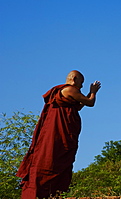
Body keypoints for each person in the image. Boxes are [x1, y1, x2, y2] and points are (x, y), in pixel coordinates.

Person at [16, 70, 101, 199]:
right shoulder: (70, 90)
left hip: (63, 132)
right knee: (50, 159)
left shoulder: (67, 93)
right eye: (81, 83)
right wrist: (93, 91)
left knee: (58, 161)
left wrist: (90, 94)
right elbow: (90, 102)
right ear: (74, 79)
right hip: (57, 134)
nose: (81, 86)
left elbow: (77, 106)